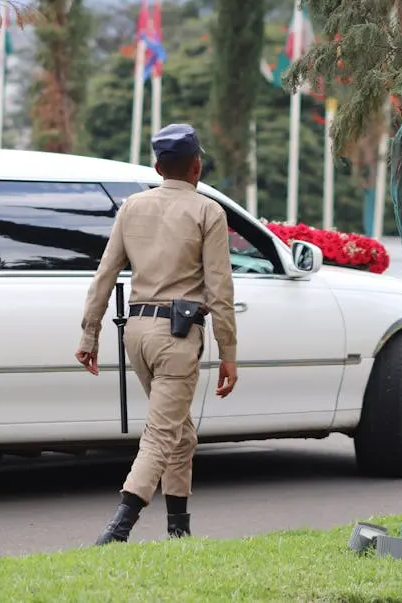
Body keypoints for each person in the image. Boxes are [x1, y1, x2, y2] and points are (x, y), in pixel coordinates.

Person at [75, 123, 239, 545]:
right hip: (178, 336)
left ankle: (178, 530)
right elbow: (220, 289)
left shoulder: (132, 207)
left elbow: (105, 275)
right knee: (163, 434)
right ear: (197, 168)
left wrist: (89, 336)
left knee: (181, 433)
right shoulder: (209, 211)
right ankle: (118, 528)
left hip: (137, 332)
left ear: (156, 166)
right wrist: (229, 352)